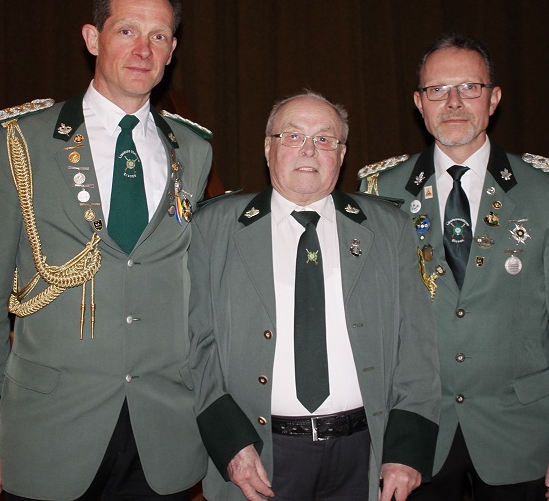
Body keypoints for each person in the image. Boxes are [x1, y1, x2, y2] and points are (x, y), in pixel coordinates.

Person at [0, 0, 213, 500]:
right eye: (126, 31)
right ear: (93, 38)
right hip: (50, 427)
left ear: (172, 51)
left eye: (159, 36)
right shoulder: (22, 142)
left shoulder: (192, 149)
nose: (143, 49)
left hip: (162, 432)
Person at [359, 33, 549, 501]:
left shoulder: (547, 191)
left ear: (494, 98)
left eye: (469, 87)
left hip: (523, 429)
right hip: (418, 430)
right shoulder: (381, 191)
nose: (452, 102)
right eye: (437, 90)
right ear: (418, 104)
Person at [188, 91, 440, 501]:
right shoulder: (215, 227)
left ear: (341, 155)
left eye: (325, 139)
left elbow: (417, 343)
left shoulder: (388, 227)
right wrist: (230, 442)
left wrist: (406, 450)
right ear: (268, 149)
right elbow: (194, 344)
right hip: (259, 454)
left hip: (363, 453)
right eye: (292, 136)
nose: (309, 150)